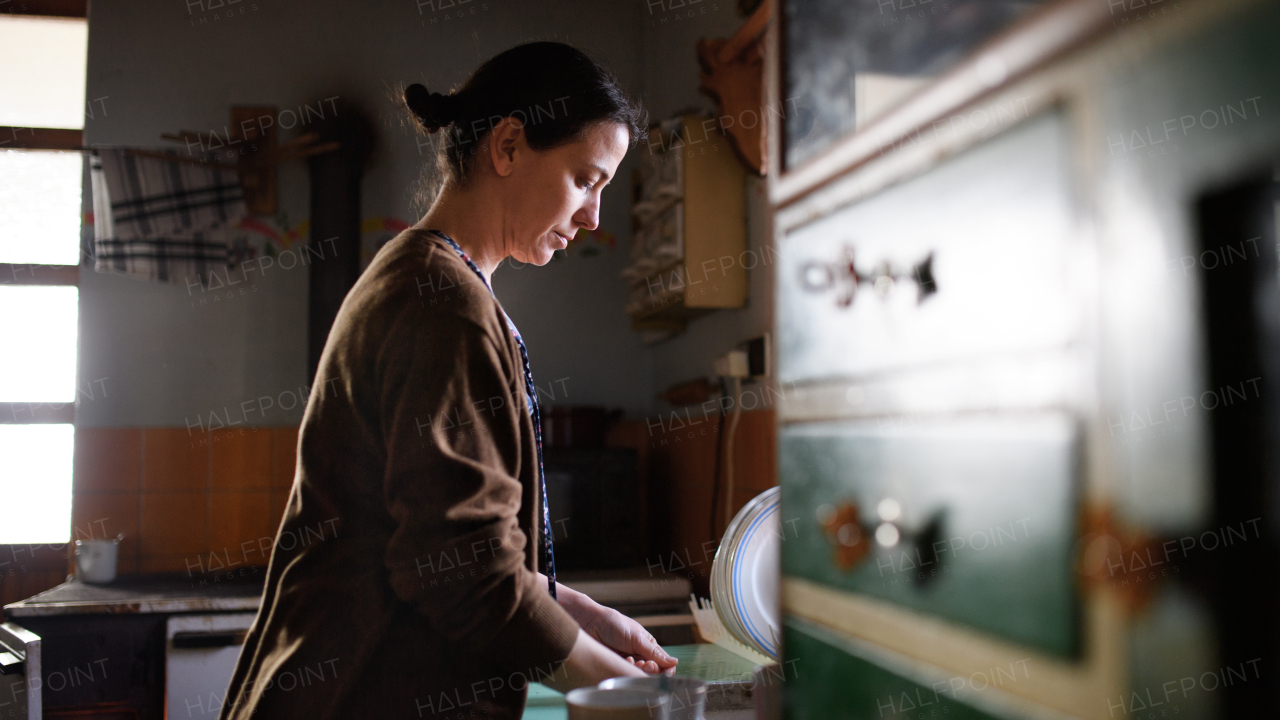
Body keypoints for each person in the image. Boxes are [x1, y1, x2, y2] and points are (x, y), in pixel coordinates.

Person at [219, 42, 676, 720]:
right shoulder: (442, 303)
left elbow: (454, 543)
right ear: (510, 146)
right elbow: (465, 575)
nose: (593, 218)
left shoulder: (427, 279)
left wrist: (575, 614)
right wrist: (626, 695)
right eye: (586, 180)